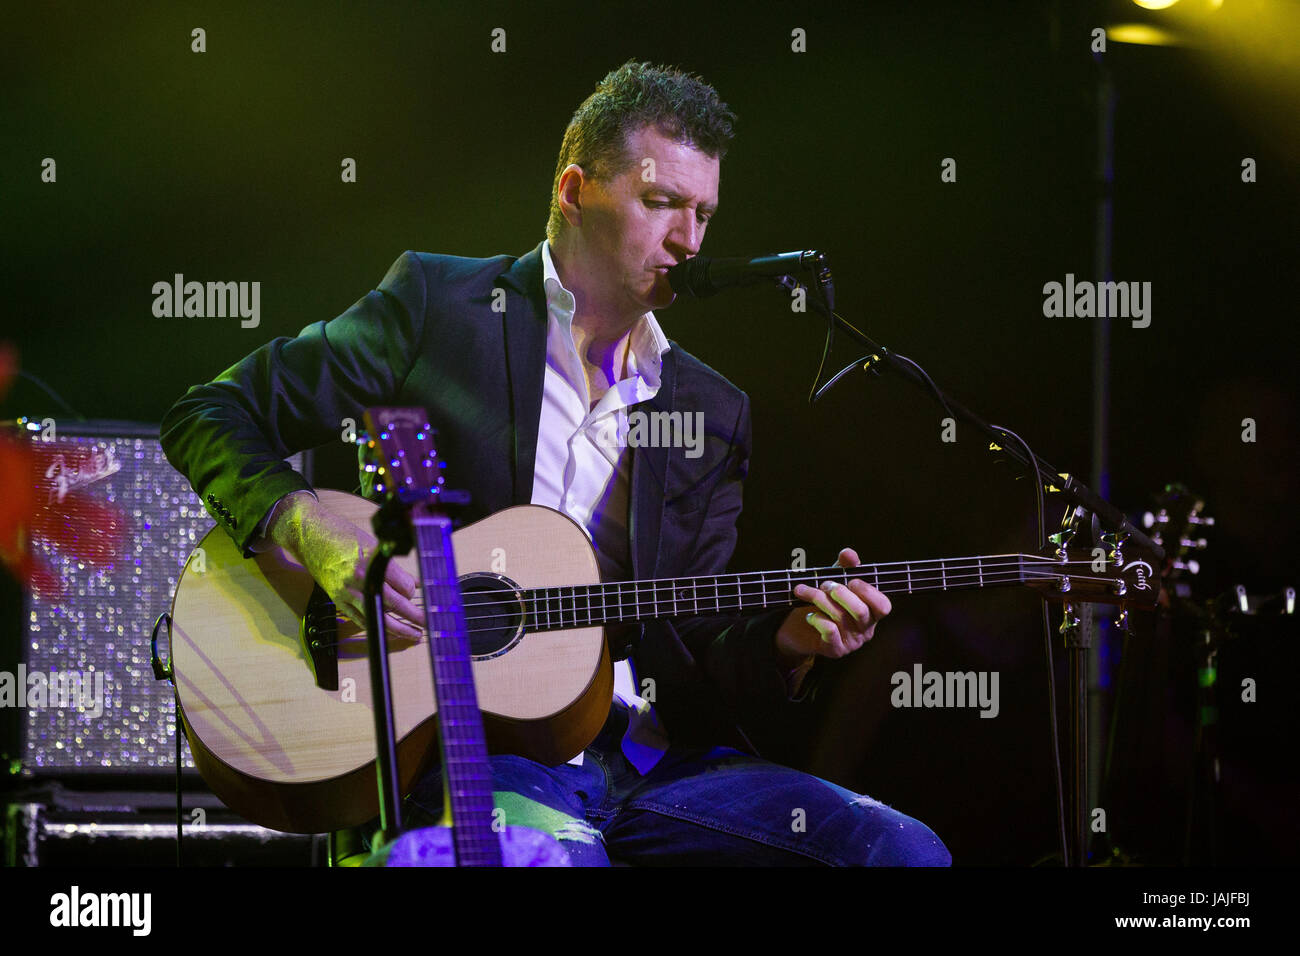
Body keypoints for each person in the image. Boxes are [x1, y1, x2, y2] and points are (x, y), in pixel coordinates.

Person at [160, 60, 950, 866]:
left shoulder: (711, 412)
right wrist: (316, 533)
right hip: (477, 758)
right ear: (574, 191)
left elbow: (693, 648)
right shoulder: (441, 309)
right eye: (662, 202)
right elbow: (208, 413)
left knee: (902, 852)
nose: (690, 239)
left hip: (654, 767)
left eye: (704, 212)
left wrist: (788, 645)